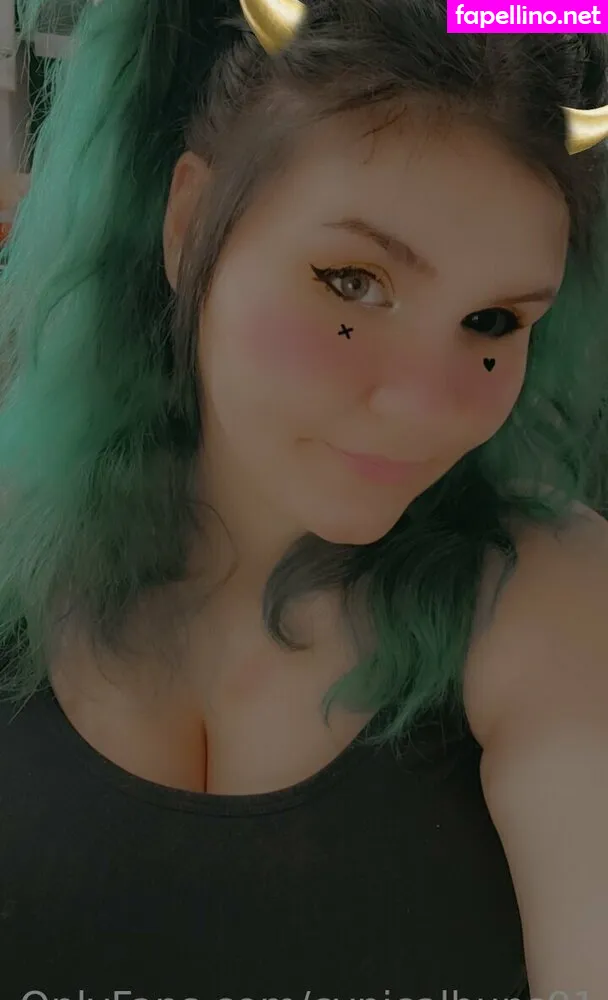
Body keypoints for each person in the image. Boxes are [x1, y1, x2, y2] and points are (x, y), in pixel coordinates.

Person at [0, 0, 607, 996]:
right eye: (353, 283)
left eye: (493, 321)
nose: (426, 405)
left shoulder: (548, 598)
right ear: (190, 225)